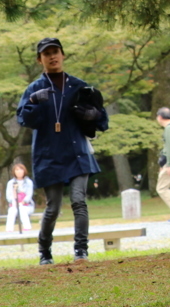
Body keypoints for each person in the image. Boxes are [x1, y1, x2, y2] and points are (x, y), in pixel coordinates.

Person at [17, 37, 109, 264]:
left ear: (63, 55)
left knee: (79, 201)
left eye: (55, 51)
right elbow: (23, 118)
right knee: (53, 207)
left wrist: (93, 115)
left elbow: (101, 117)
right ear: (40, 59)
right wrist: (33, 102)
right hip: (48, 155)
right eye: (46, 53)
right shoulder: (34, 88)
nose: (52, 56)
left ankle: (81, 251)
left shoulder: (79, 86)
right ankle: (45, 252)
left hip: (77, 152)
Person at [5, 163, 35, 232]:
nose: (19, 172)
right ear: (14, 172)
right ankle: (9, 230)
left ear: (24, 171)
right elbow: (8, 197)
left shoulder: (29, 182)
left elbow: (29, 195)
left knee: (21, 209)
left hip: (27, 205)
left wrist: (22, 202)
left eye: (21, 170)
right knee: (11, 211)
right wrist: (14, 191)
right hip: (14, 204)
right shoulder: (10, 183)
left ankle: (27, 227)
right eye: (17, 170)